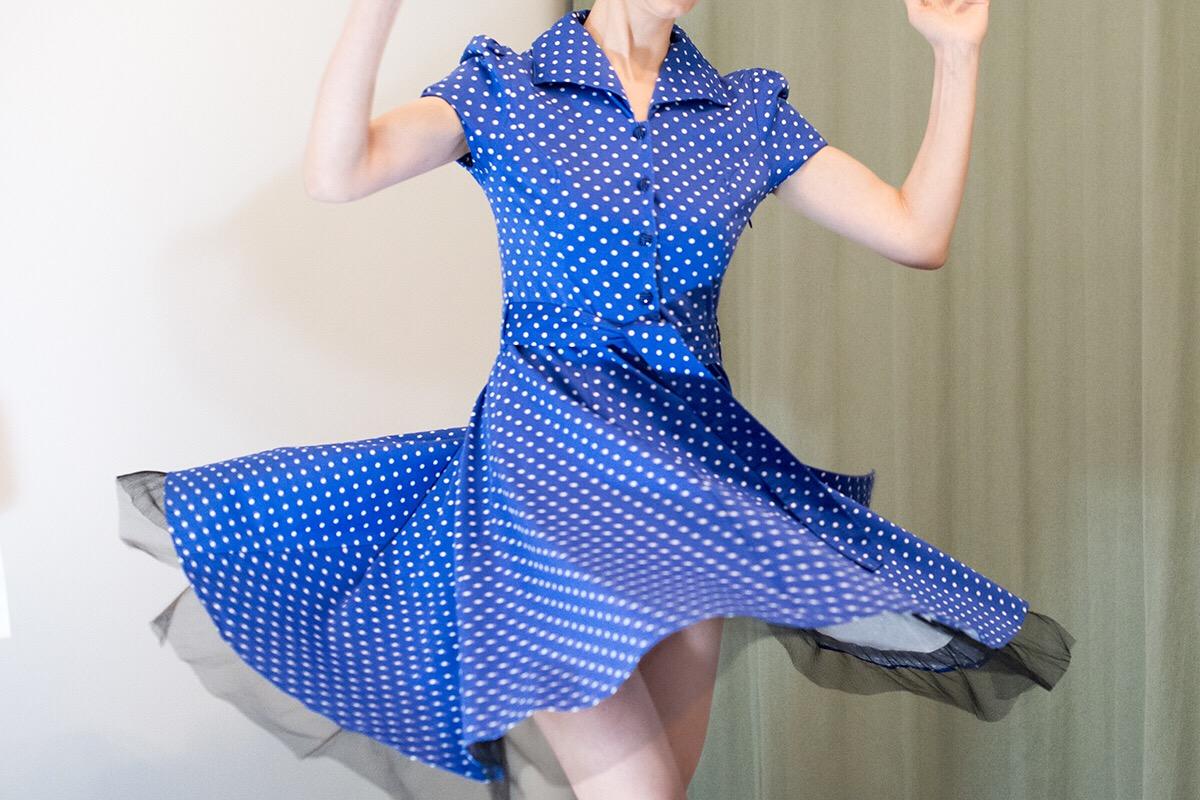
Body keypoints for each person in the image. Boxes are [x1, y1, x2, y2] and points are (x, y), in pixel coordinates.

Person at [117, 2, 1074, 800]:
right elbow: (338, 172)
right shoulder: (506, 89)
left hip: (694, 488)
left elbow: (916, 232)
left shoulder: (743, 114)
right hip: (543, 480)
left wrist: (957, 56)